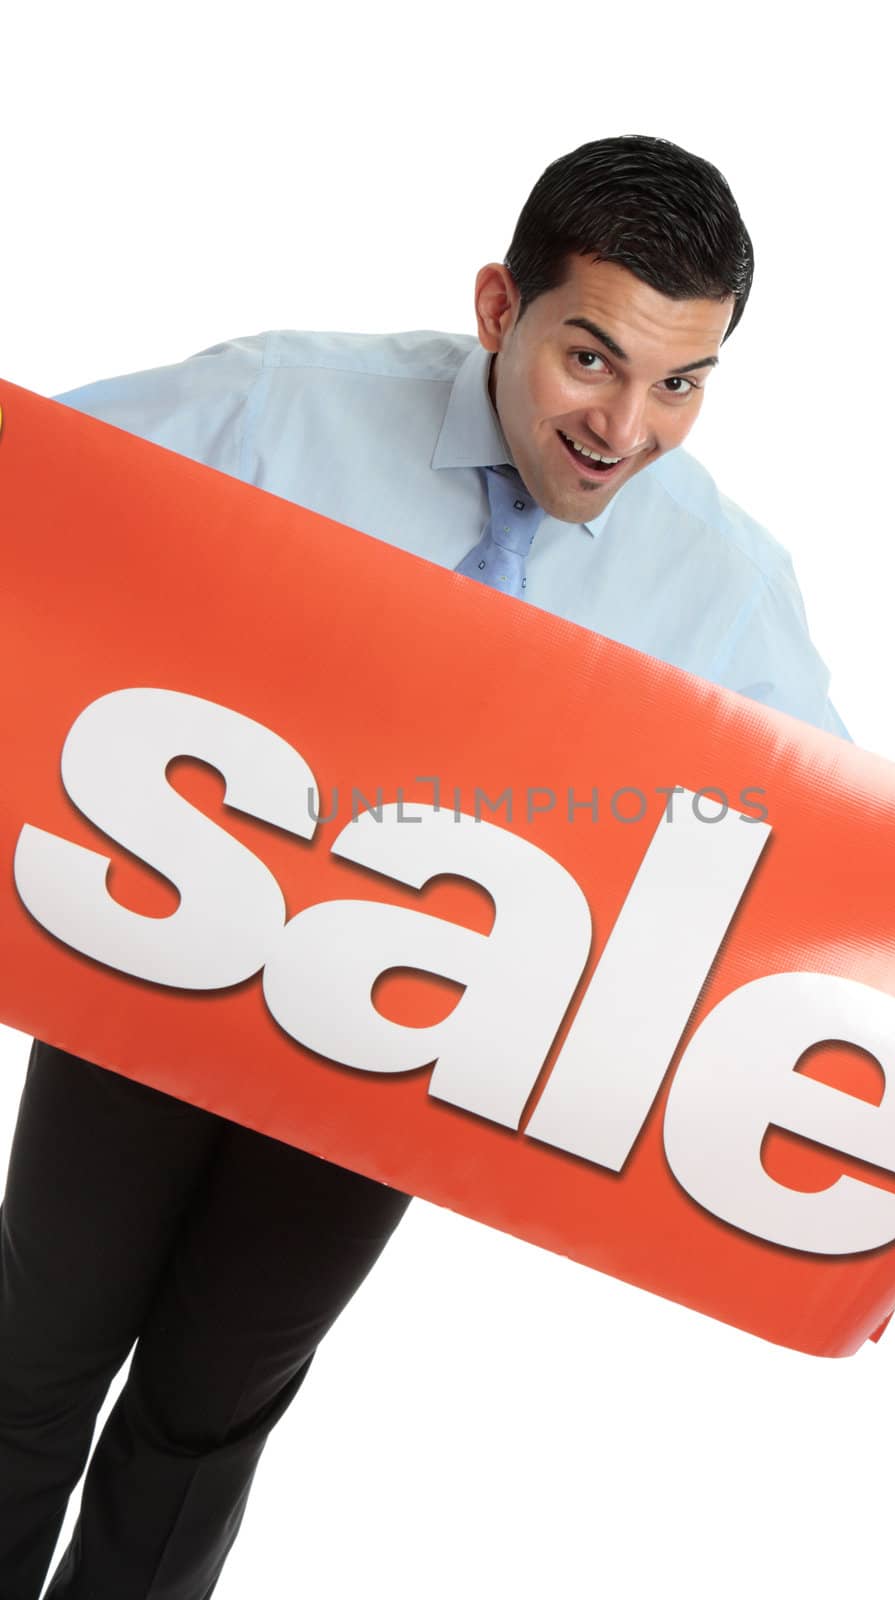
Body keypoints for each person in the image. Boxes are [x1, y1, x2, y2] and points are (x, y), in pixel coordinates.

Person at [0, 134, 846, 1598]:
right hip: (157, 953)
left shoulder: (722, 583)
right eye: (593, 358)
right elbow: (36, 499)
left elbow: (829, 866)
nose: (627, 426)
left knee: (203, 1424)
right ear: (497, 309)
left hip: (402, 1054)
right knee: (28, 1369)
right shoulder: (285, 408)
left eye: (682, 384)